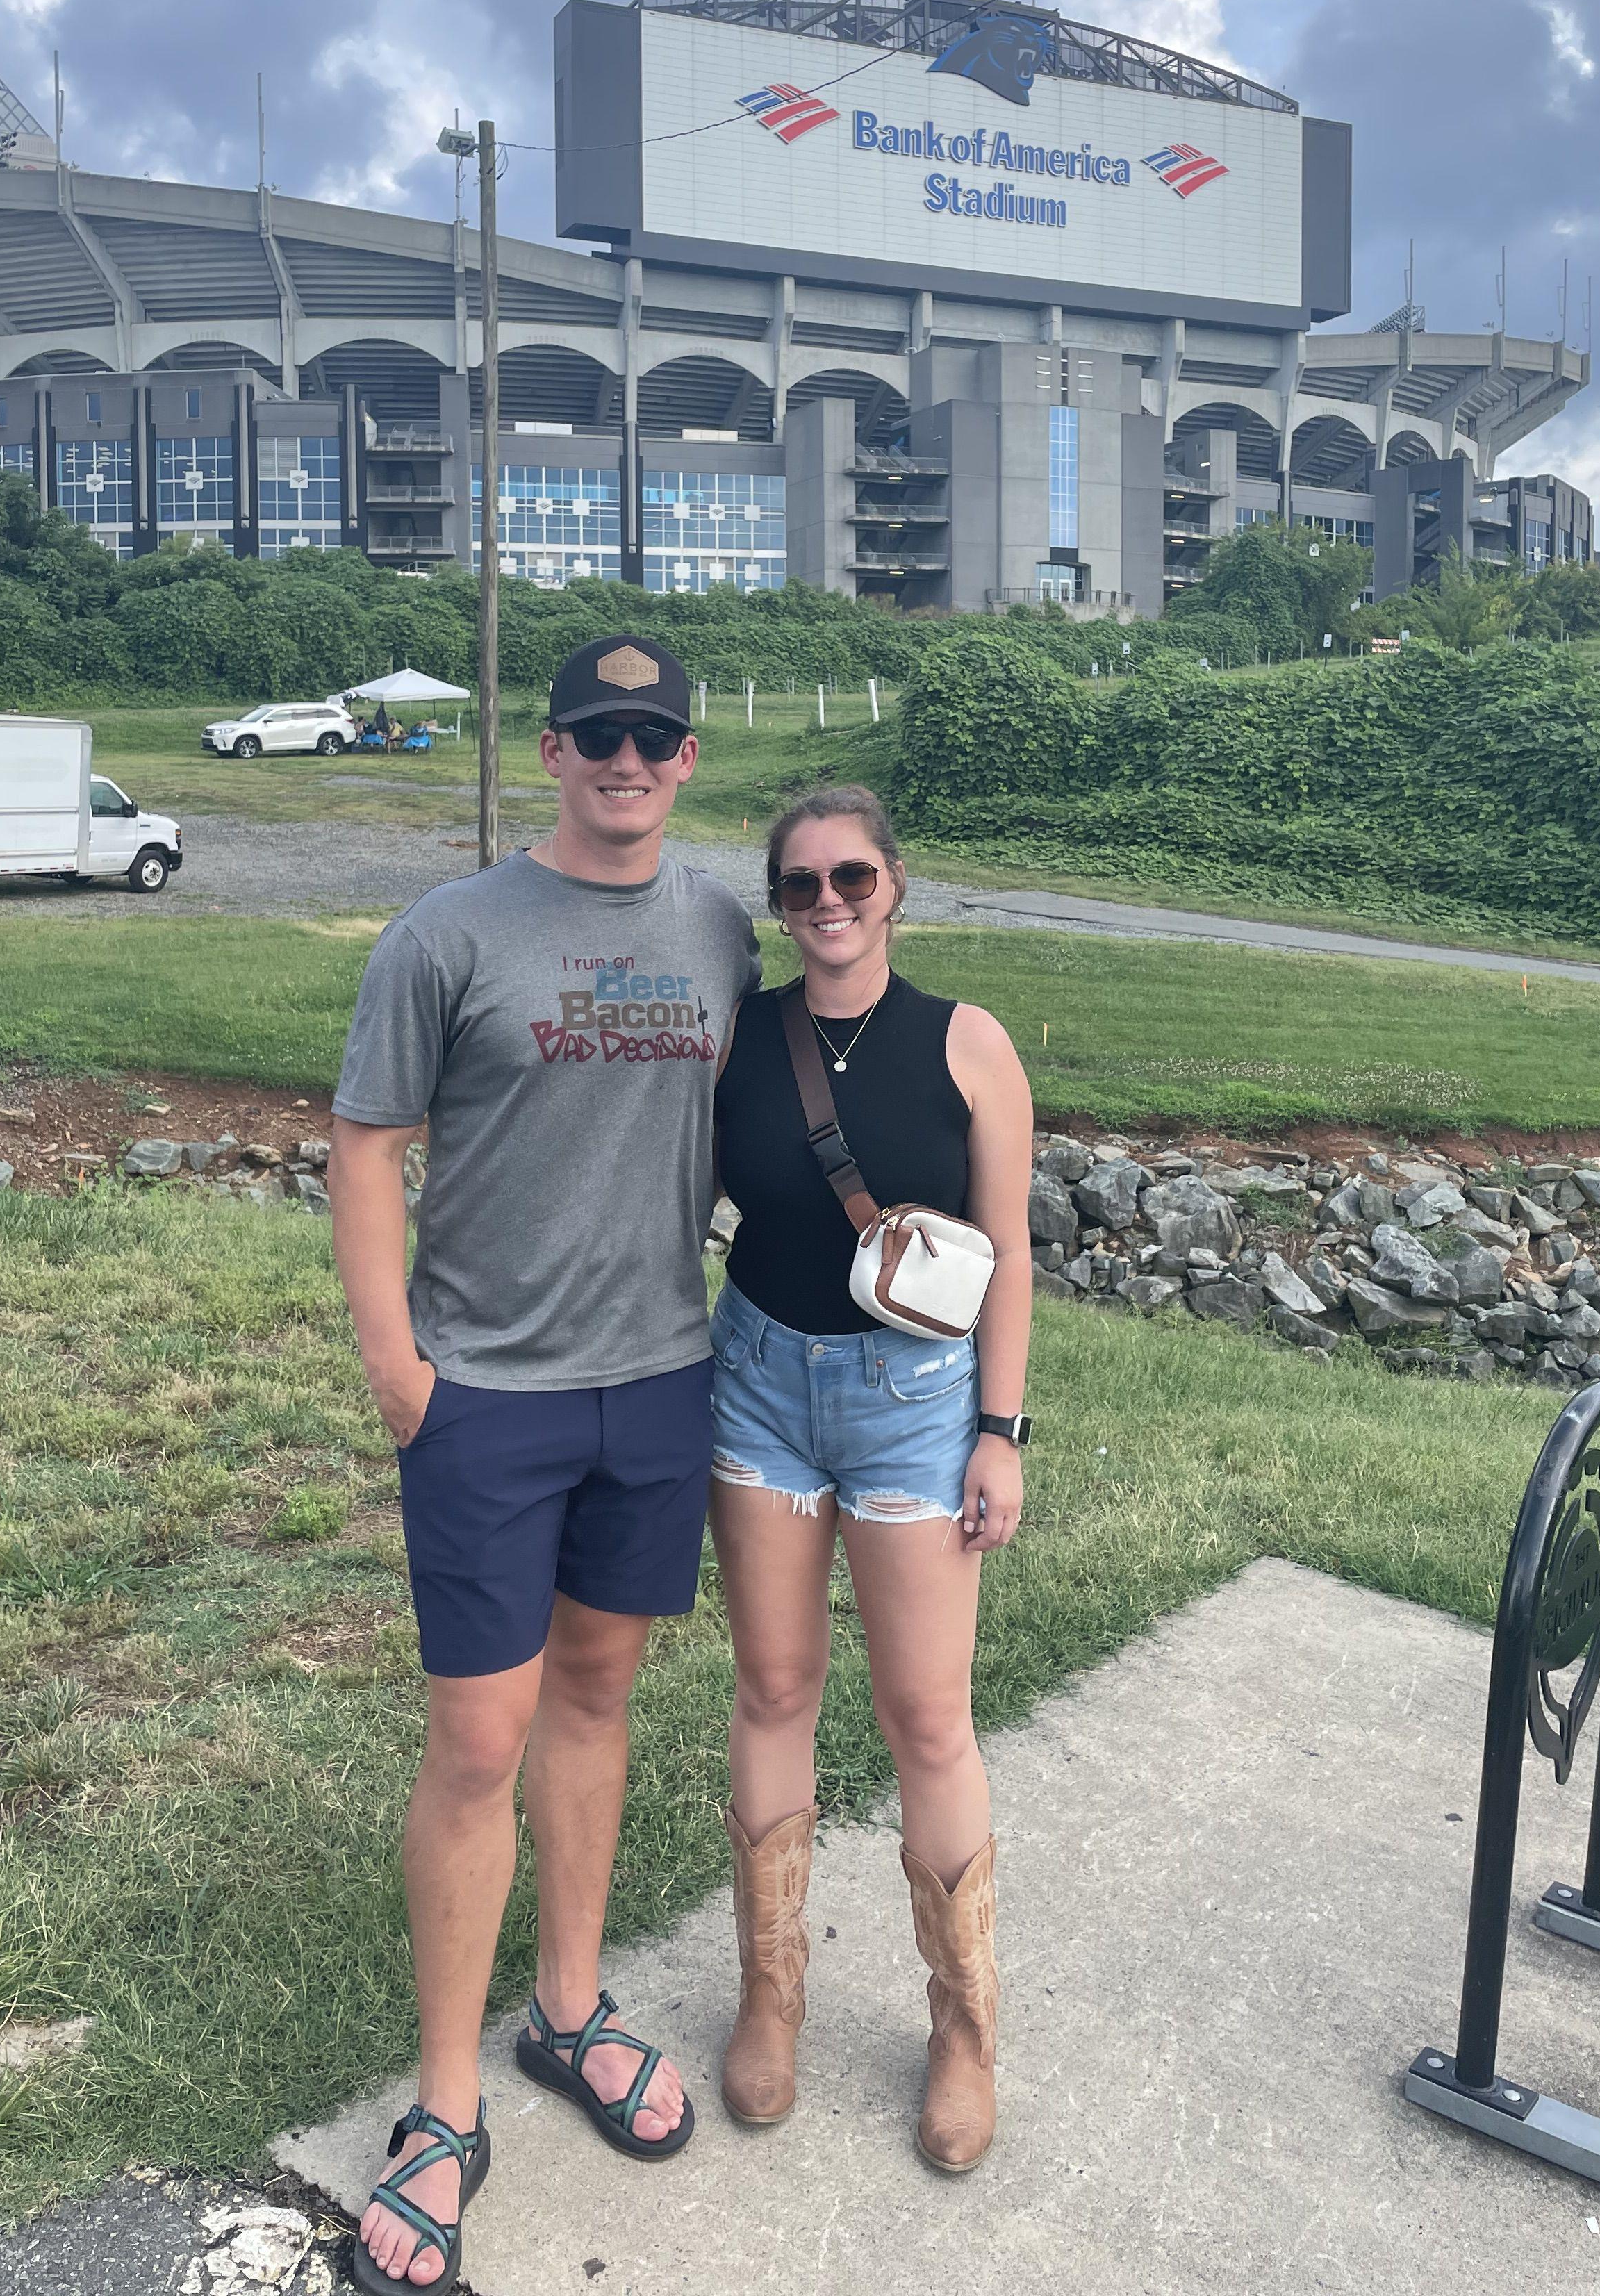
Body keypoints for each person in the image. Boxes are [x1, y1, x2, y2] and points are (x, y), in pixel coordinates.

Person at [325, 635, 761, 2295]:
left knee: (595, 1696)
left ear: (687, 757)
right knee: (477, 1739)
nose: (625, 759)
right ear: (553, 748)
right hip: (488, 1398)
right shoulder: (448, 934)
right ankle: (445, 2107)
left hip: (654, 1381)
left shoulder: (720, 930)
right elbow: (369, 1143)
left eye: (654, 735)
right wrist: (399, 1367)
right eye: (598, 734)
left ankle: (567, 2011)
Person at [706, 784, 1035, 2172]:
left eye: (852, 878)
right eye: (801, 885)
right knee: (774, 1686)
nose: (828, 904)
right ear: (779, 905)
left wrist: (1000, 1430)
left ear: (895, 884)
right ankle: (771, 1995)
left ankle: (963, 2028)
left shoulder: (968, 1045)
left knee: (928, 1717)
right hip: (758, 1389)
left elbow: (1008, 1253)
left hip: (915, 1407)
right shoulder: (742, 1037)